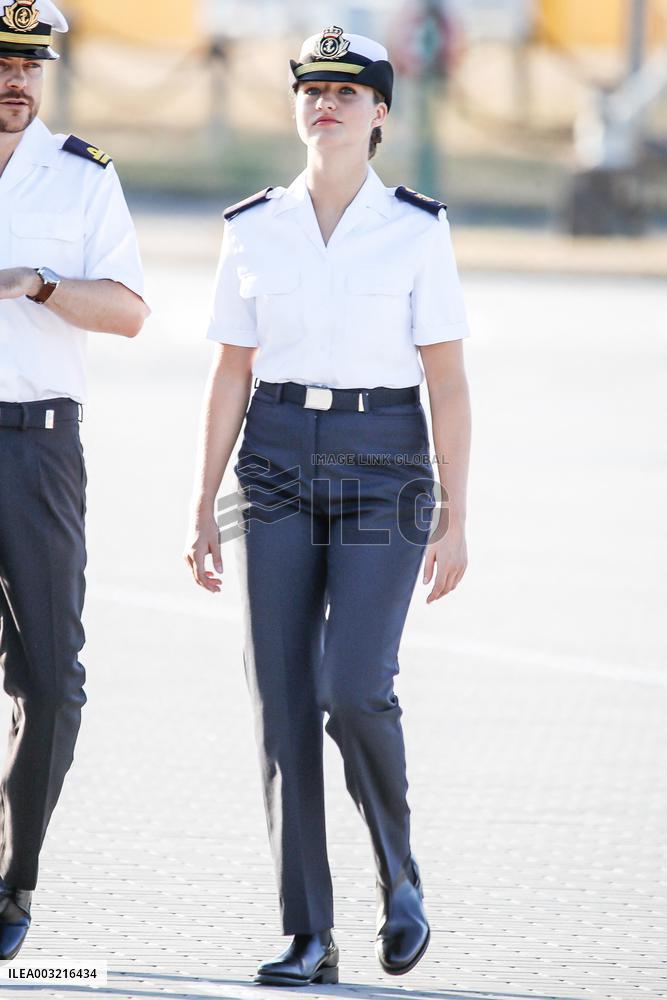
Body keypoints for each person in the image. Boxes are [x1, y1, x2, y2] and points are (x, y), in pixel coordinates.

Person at [185, 25, 471, 988]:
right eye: (312, 88)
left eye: (347, 92)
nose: (326, 104)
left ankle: (399, 873)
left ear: (380, 112)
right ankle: (309, 933)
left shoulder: (417, 229)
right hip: (272, 459)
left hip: (385, 461)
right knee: (280, 700)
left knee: (352, 687)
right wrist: (200, 500)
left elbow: (448, 382)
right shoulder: (252, 226)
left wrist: (456, 511)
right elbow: (230, 369)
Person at [0, 0, 150, 961]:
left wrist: (41, 283)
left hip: (38, 450)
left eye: (29, 64)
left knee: (52, 680)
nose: (16, 79)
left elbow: (130, 311)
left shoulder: (82, 176)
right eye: (0, 63)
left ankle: (13, 879)